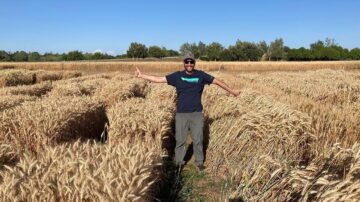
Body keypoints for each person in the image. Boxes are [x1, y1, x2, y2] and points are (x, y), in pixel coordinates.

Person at [135, 52, 240, 172]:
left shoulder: (201, 75)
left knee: (198, 139)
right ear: (184, 63)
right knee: (180, 140)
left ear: (194, 63)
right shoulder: (177, 76)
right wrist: (141, 75)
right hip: (181, 114)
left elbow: (217, 81)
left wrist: (232, 92)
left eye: (191, 62)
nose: (189, 64)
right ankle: (179, 163)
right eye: (187, 62)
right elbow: (158, 79)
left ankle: (199, 163)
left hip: (196, 114)